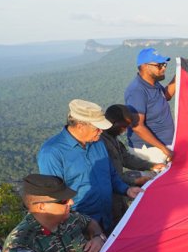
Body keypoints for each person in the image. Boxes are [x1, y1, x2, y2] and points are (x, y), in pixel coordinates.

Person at [37, 99, 140, 233]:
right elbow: (55, 198)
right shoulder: (52, 153)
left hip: (108, 218)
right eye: (97, 128)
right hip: (80, 228)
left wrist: (126, 190)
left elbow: (111, 174)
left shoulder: (98, 143)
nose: (101, 131)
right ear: (80, 126)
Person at [124, 47, 176, 164]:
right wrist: (163, 149)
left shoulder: (154, 84)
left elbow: (165, 96)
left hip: (163, 147)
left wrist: (178, 77)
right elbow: (137, 126)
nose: (163, 68)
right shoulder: (137, 91)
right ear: (145, 67)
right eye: (159, 65)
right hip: (150, 150)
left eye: (164, 64)